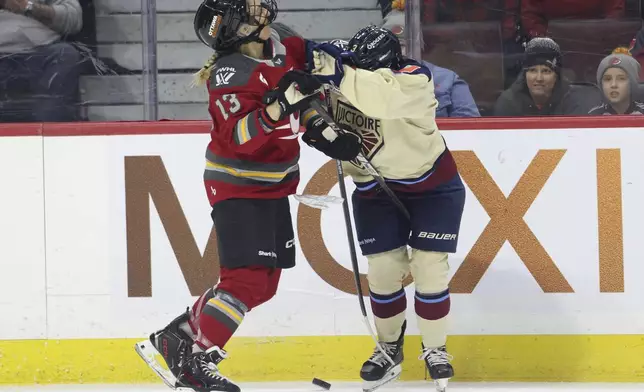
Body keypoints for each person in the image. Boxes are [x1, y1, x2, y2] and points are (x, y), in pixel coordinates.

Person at [134, 1, 361, 392]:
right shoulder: (229, 74)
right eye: (245, 9)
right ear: (236, 29)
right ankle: (195, 357)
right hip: (238, 185)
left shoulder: (282, 42)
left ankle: (178, 337)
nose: (257, 8)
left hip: (274, 184)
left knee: (265, 282)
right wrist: (278, 108)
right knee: (244, 279)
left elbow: (302, 95)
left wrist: (323, 131)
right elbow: (241, 139)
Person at [307, 25, 466, 392]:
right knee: (382, 270)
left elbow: (378, 99)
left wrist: (336, 71)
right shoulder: (343, 71)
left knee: (429, 268)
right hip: (374, 186)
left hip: (432, 187)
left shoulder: (414, 78)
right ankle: (389, 346)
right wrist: (320, 131)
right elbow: (305, 100)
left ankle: (436, 349)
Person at [0, 0, 84, 122]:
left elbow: (73, 17)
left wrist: (28, 7)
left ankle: (50, 134)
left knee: (65, 54)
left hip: (38, 53)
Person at [494, 37, 586, 116]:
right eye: (533, 70)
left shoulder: (572, 101)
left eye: (546, 71)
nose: (539, 78)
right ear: (525, 74)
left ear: (556, 76)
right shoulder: (508, 102)